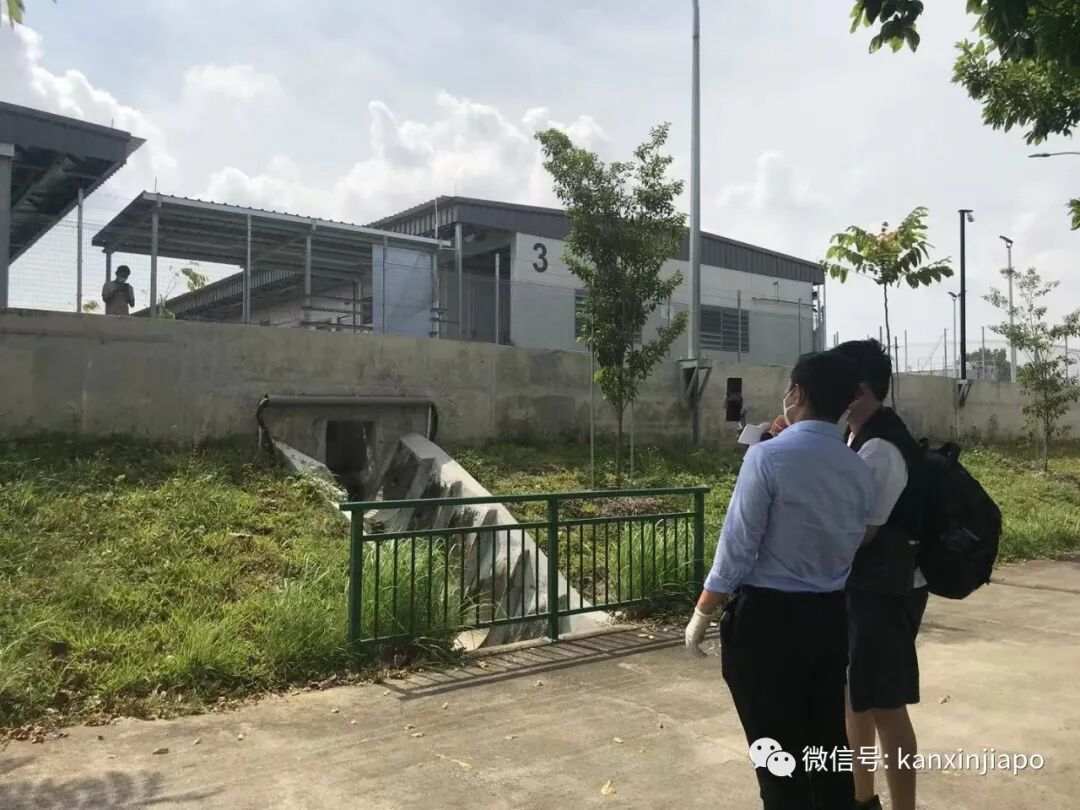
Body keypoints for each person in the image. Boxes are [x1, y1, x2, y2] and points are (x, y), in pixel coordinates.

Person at [685, 351, 874, 810]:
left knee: (776, 758)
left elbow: (737, 546)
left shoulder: (767, 456)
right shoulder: (858, 467)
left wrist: (703, 611)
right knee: (825, 747)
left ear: (797, 393)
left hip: (768, 624)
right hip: (829, 618)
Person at [833, 339, 928, 810]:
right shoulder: (856, 438)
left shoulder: (881, 448)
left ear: (860, 390)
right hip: (866, 586)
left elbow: (861, 531)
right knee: (857, 697)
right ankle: (862, 797)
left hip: (886, 591)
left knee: (886, 705)